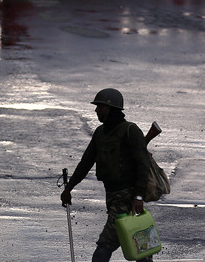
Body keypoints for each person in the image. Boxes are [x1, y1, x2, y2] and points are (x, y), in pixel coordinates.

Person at [60, 88, 153, 262]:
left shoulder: (130, 130)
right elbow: (86, 163)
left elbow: (143, 166)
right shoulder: (100, 133)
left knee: (105, 245)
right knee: (139, 245)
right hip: (111, 196)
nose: (96, 110)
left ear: (112, 108)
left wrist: (138, 196)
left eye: (100, 107)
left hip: (127, 198)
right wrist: (69, 188)